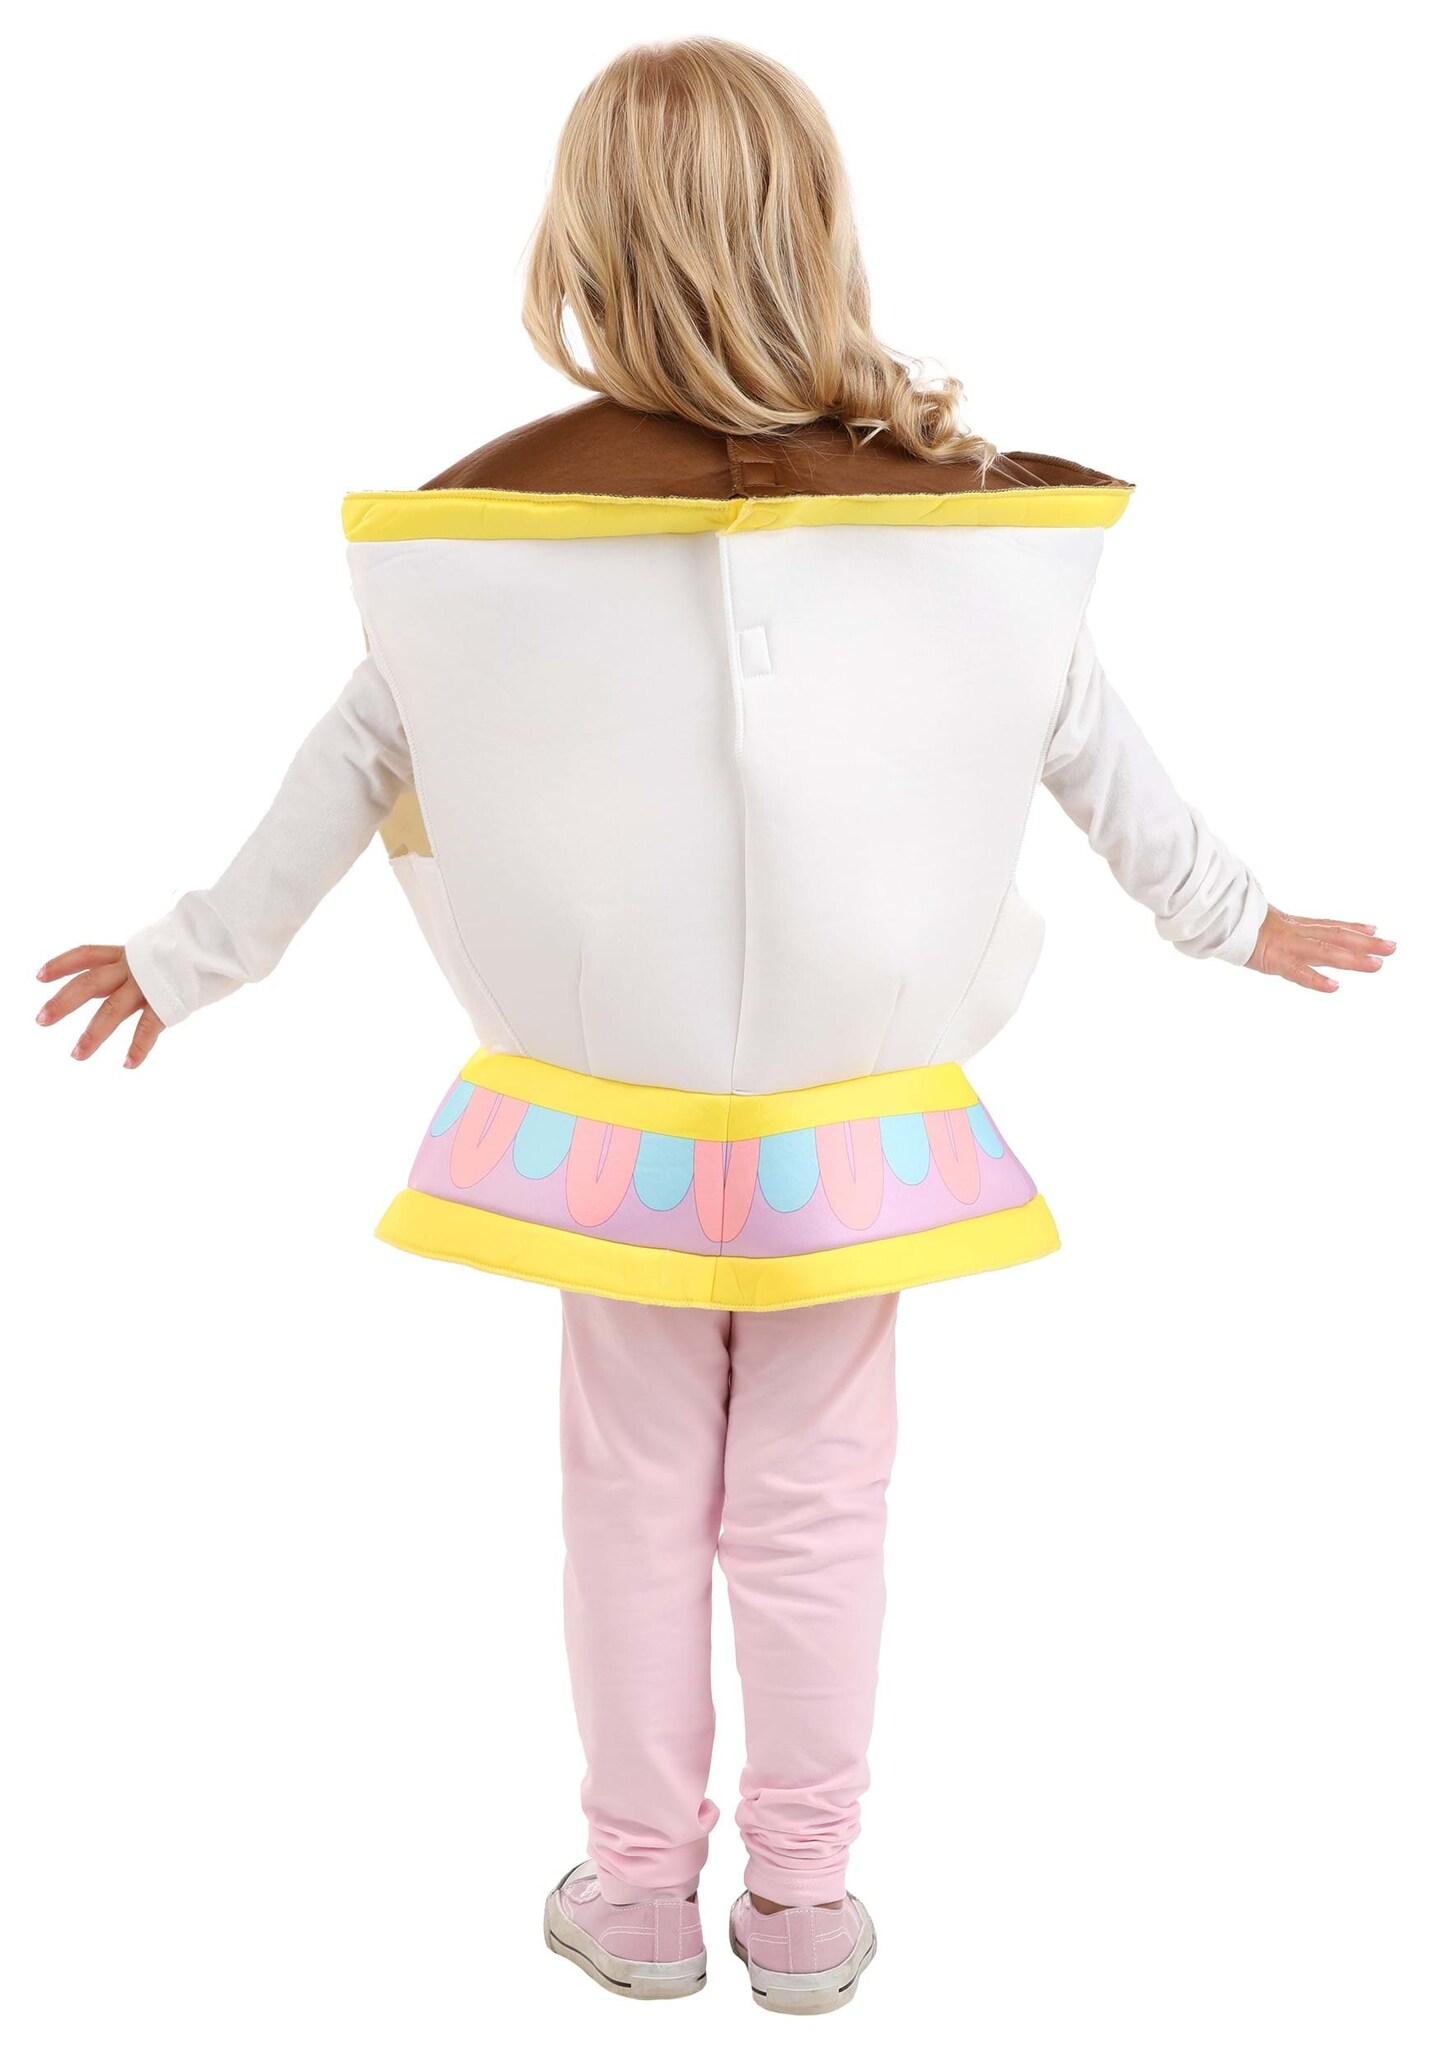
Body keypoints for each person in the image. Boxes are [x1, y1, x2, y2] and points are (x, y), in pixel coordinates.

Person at [34, 38, 1393, 2017]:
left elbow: (351, 767)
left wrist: (187, 959)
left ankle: (641, 1890)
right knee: (823, 1502)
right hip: (858, 1122)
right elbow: (1091, 752)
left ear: (583, 246)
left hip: (618, 1128)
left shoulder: (486, 535)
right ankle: (809, 1903)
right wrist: (1237, 920)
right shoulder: (962, 526)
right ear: (818, 225)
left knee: (628, 1499)